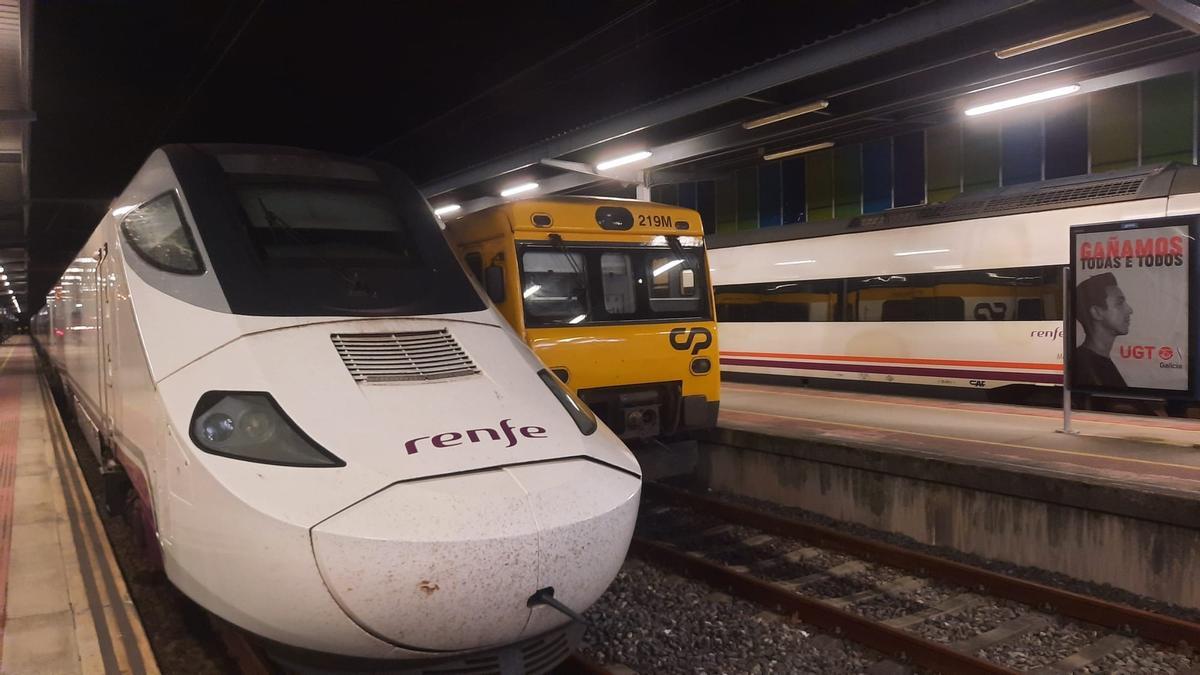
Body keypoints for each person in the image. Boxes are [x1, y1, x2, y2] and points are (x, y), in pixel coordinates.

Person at [1073, 272, 1132, 388]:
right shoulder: (1083, 367)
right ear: (1097, 312)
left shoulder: (1098, 360)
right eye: (1120, 303)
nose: (1130, 310)